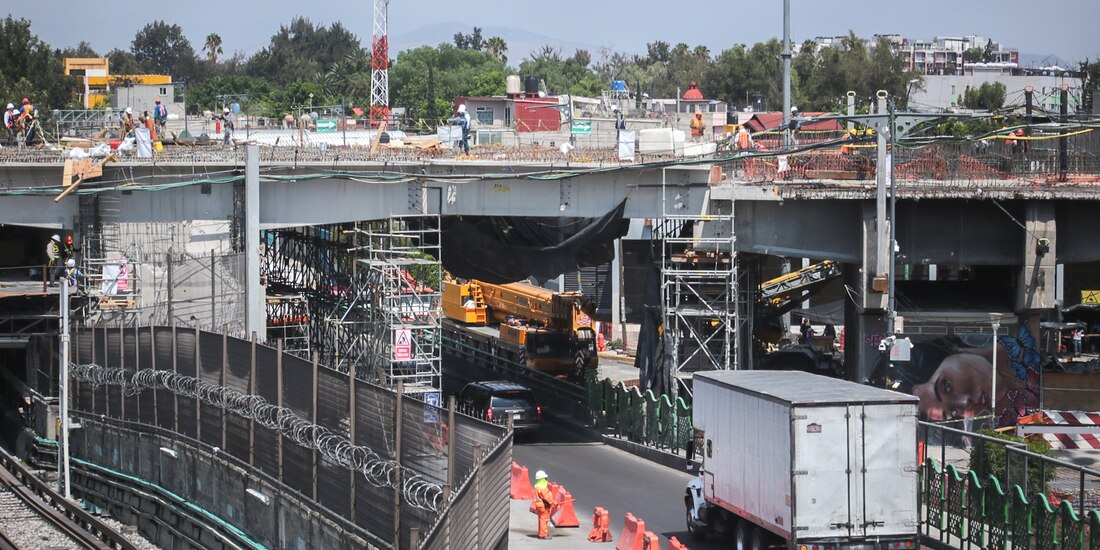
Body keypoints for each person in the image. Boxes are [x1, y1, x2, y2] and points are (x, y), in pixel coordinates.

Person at [906, 319, 1041, 428]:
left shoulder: (1033, 330)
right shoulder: (1008, 416)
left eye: (946, 386)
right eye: (953, 411)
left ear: (956, 351)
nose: (965, 401)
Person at [532, 470, 557, 540]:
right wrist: (553, 502)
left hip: (539, 506)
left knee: (541, 520)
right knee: (544, 520)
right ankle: (543, 535)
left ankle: (542, 533)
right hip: (544, 506)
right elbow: (547, 498)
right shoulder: (543, 488)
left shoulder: (537, 487)